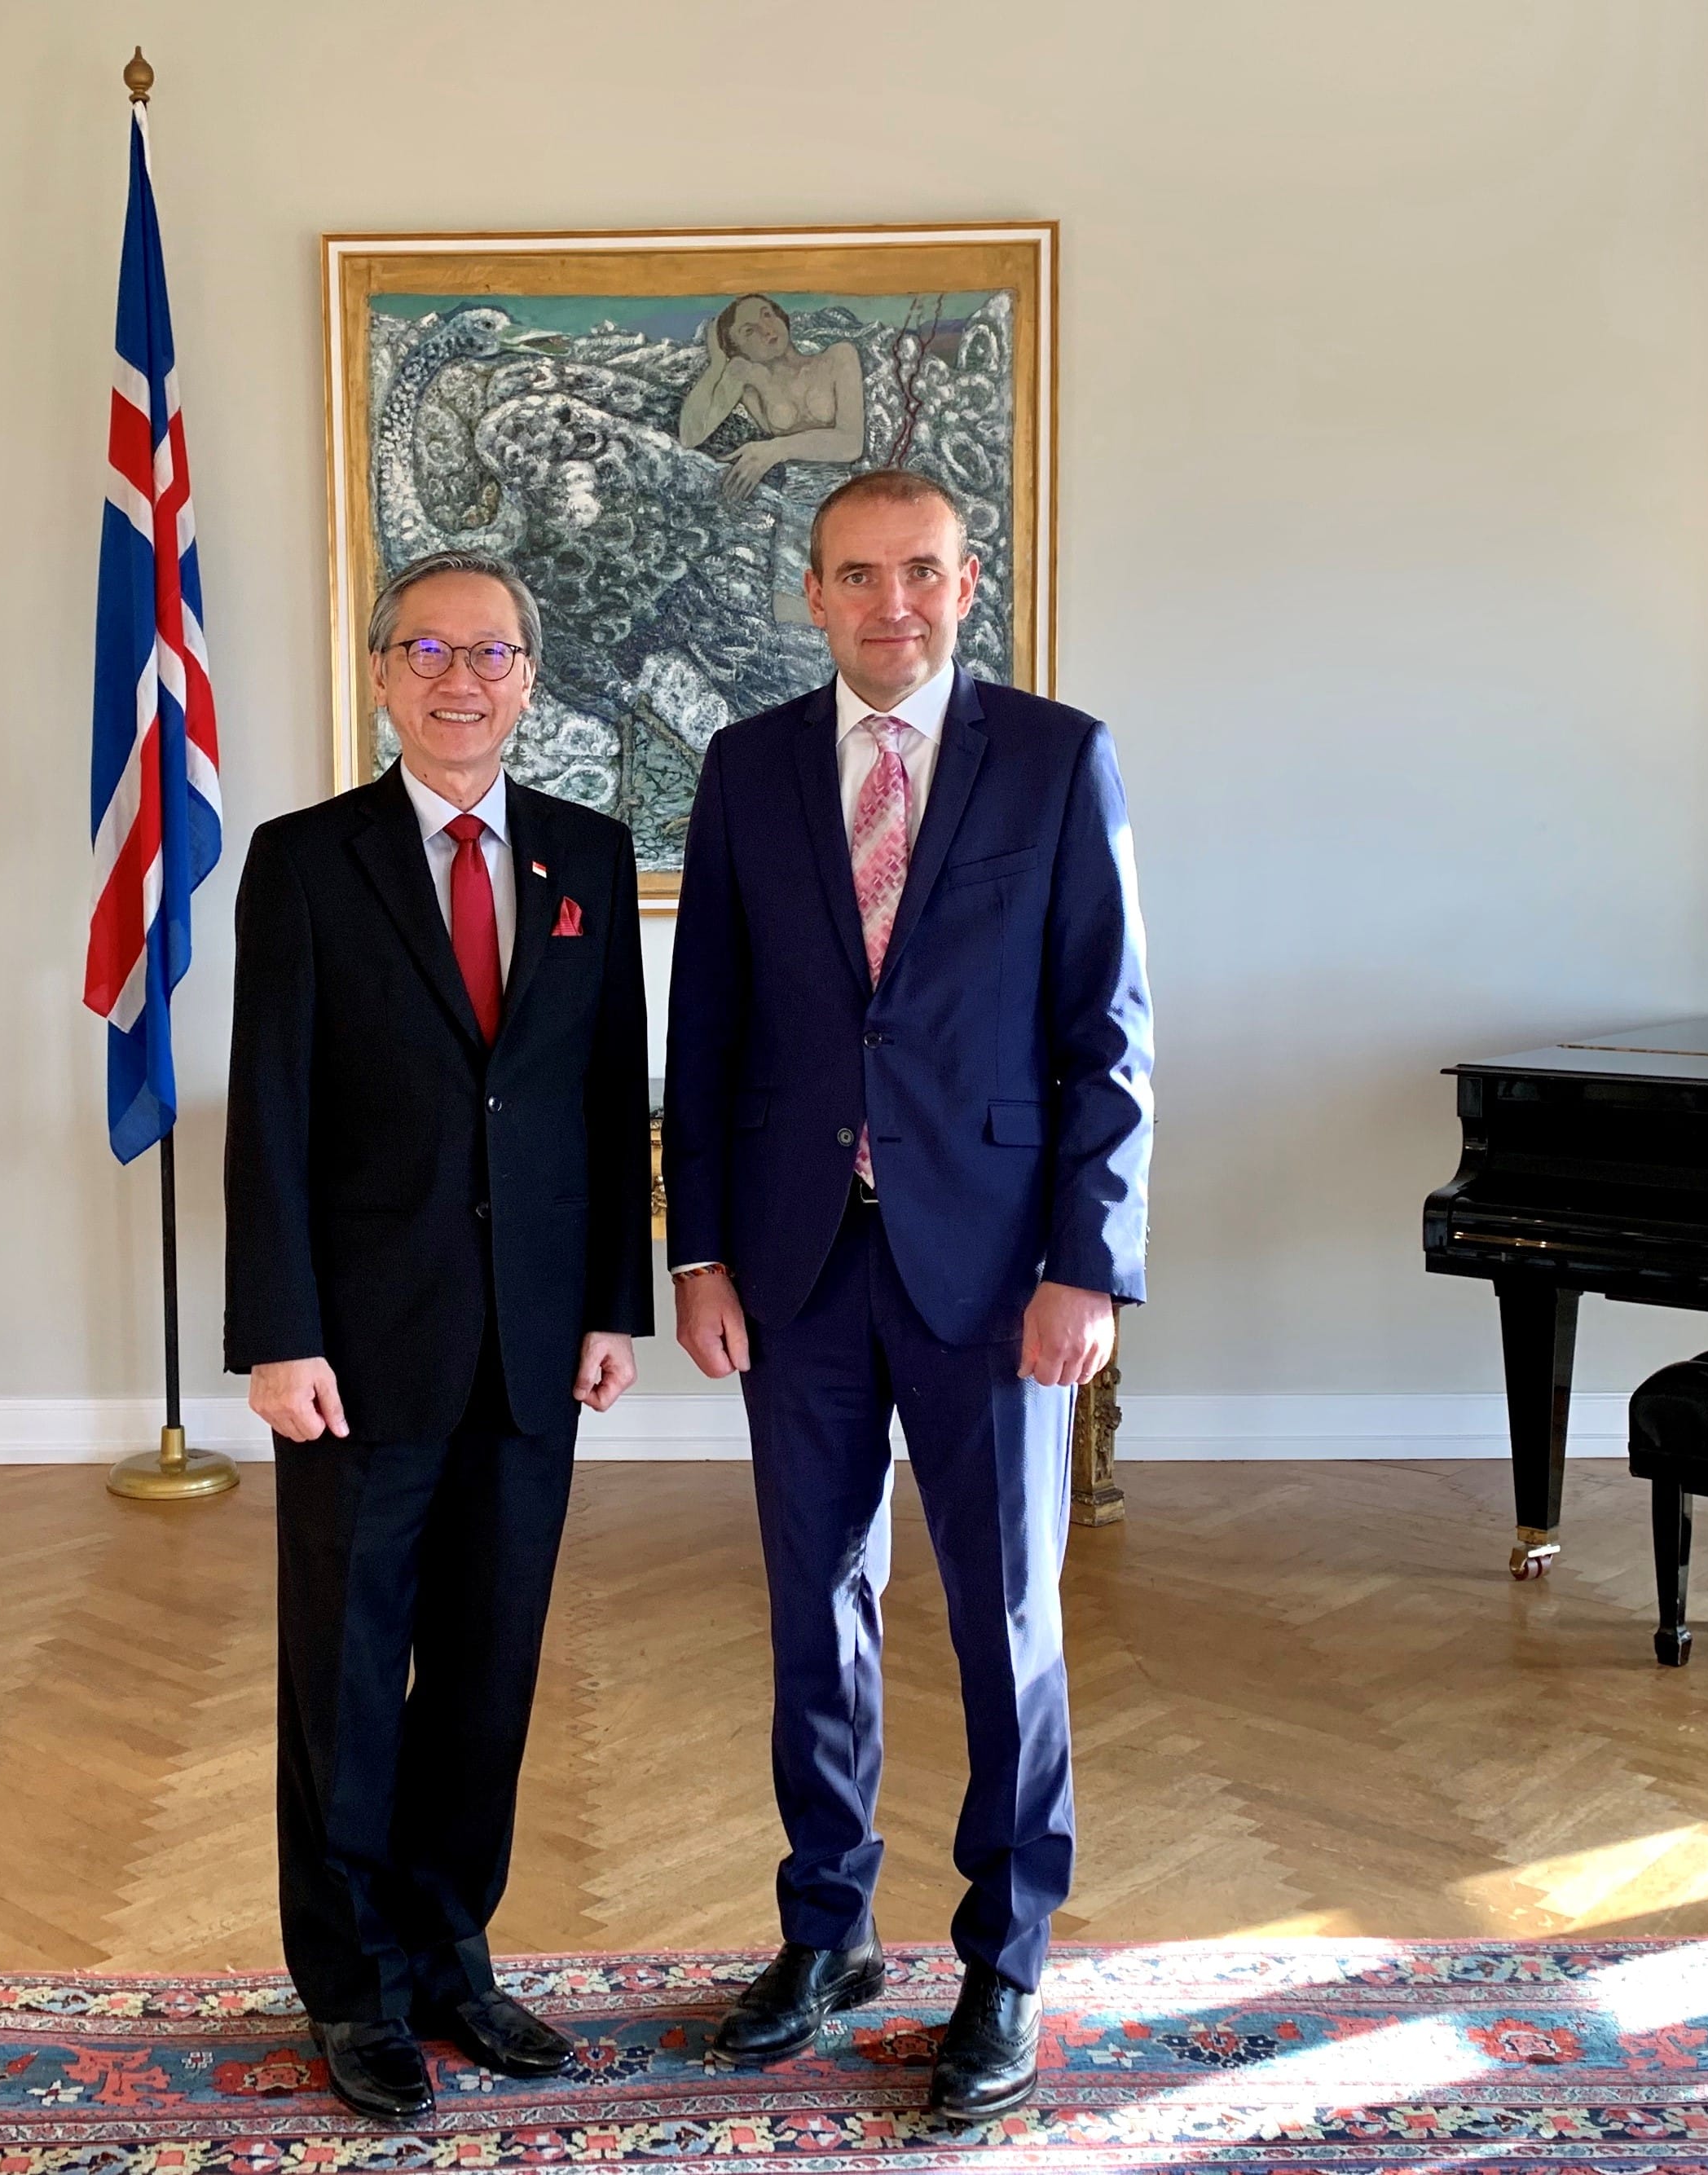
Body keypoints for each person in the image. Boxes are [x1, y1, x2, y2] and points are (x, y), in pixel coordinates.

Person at [663, 469, 1153, 2120]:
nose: (894, 603)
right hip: (798, 1265)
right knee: (817, 1607)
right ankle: (827, 1928)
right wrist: (700, 1248)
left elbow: (1110, 1033)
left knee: (1008, 1618)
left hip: (998, 1269)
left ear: (967, 582)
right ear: (811, 593)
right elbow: (708, 1030)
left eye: (923, 572)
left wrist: (1088, 1260)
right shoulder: (745, 769)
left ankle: (1005, 1956)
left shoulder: (1056, 756)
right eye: (859, 575)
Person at [224, 548, 653, 2123]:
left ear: (527, 679)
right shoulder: (305, 858)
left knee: (487, 1664)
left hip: (535, 1340)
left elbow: (614, 1099)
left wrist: (615, 1296)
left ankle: (451, 1947)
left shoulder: (586, 859)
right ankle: (354, 1986)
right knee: (345, 1669)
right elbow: (265, 1112)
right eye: (428, 649)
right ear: (382, 673)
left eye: (491, 654)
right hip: (356, 1343)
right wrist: (279, 1331)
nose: (460, 678)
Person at [679, 293, 868, 504]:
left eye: (767, 315)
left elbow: (852, 443)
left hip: (846, 497)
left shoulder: (838, 357)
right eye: (749, 331)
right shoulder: (749, 381)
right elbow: (689, 436)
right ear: (738, 349)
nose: (766, 329)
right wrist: (716, 366)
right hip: (788, 502)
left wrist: (776, 449)